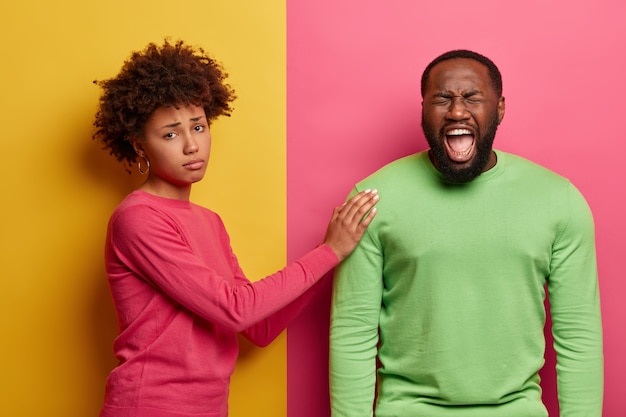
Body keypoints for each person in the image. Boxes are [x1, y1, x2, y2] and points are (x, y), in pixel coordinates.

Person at [92, 39, 379, 417]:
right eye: (171, 134)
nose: (192, 145)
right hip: (151, 406)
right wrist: (328, 252)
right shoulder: (139, 218)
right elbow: (235, 310)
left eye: (198, 126)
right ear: (139, 145)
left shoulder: (209, 222)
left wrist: (332, 255)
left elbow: (257, 329)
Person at [329, 49, 603, 417]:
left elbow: (579, 337)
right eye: (442, 98)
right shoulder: (372, 199)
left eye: (472, 97)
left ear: (500, 108)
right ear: (423, 109)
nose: (457, 111)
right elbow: (352, 334)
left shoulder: (558, 200)